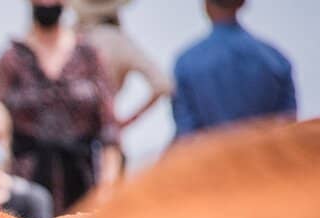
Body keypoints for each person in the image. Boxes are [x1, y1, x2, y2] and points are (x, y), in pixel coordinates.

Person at [0, 0, 121, 216]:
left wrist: (107, 189)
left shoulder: (89, 57)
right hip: (23, 185)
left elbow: (109, 132)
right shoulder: (12, 59)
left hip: (81, 183)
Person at [172, 0, 296, 139]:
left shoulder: (187, 62)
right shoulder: (276, 59)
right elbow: (289, 125)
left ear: (206, 5)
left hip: (212, 158)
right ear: (242, 3)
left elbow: (187, 134)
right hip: (267, 156)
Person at [72, 0, 173, 130]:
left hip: (68, 135)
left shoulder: (68, 41)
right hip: (106, 131)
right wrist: (125, 122)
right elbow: (162, 84)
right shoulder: (118, 41)